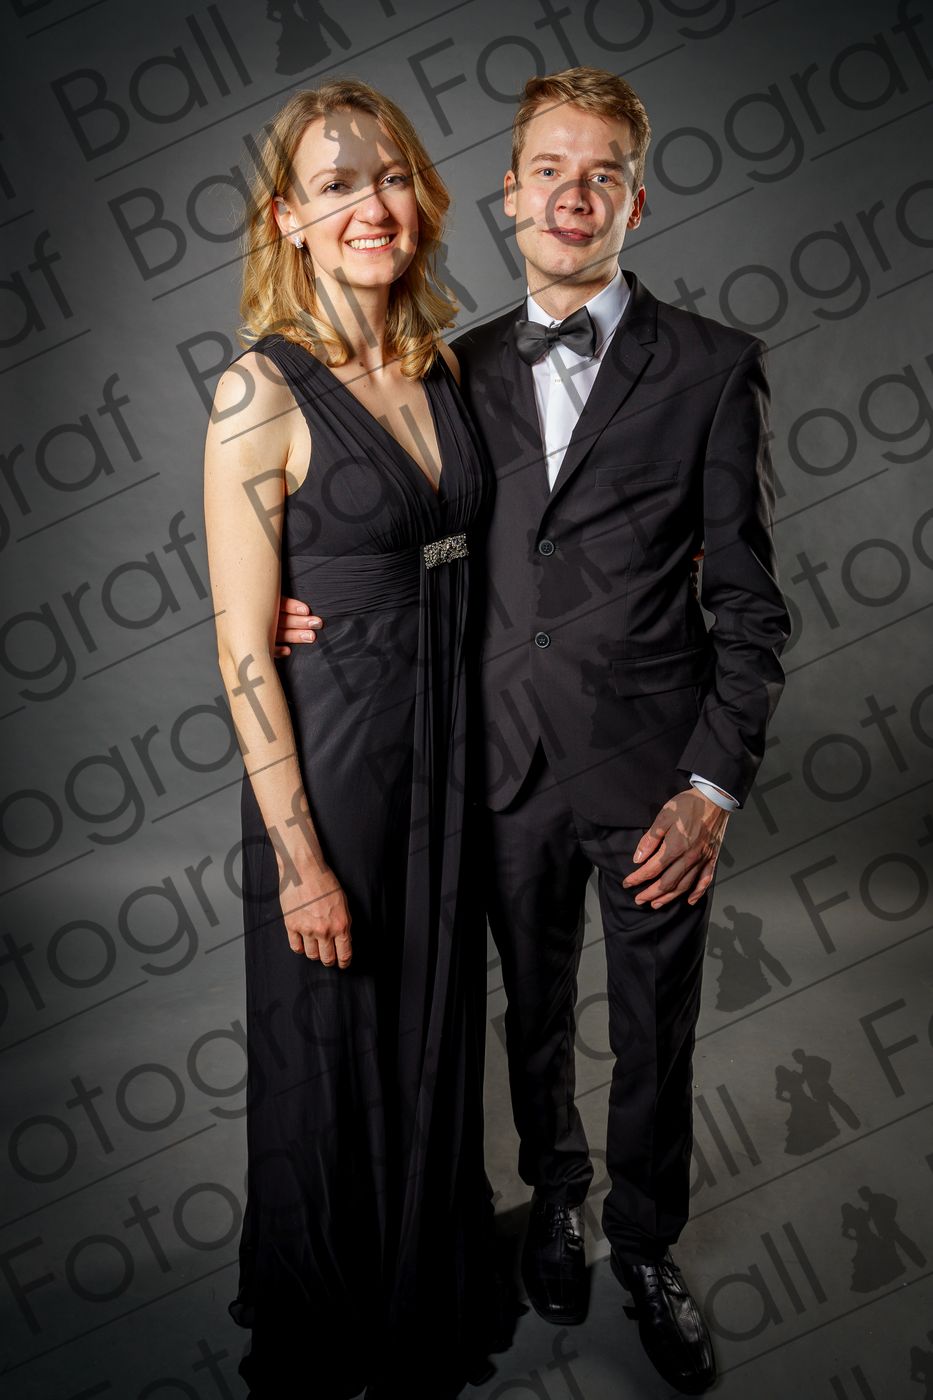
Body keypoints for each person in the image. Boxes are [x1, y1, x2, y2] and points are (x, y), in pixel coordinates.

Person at [275, 66, 790, 1395]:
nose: (572, 193)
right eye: (547, 170)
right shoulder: (453, 367)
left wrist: (711, 786)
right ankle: (555, 1198)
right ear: (508, 196)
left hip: (653, 775)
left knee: (657, 1024)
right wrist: (303, 595)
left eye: (601, 173)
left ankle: (646, 1243)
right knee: (532, 1014)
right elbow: (404, 526)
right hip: (493, 764)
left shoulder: (713, 369)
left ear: (635, 201)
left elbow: (749, 605)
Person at [204, 79, 506, 1399]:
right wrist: (299, 860)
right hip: (333, 767)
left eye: (388, 177)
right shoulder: (255, 393)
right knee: (331, 1047)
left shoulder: (442, 366)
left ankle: (422, 1284)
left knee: (434, 1023)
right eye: (336, 186)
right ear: (289, 217)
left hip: (449, 750)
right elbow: (240, 653)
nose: (370, 206)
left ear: (419, 196)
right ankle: (332, 1322)